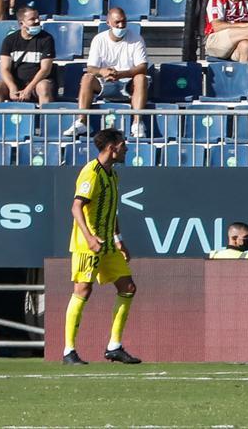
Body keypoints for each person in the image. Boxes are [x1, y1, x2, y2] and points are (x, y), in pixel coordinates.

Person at [63, 128, 141, 365]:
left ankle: (114, 346)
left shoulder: (113, 174)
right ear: (112, 147)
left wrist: (118, 239)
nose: (126, 149)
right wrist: (89, 237)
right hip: (89, 244)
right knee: (83, 290)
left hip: (108, 243)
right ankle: (69, 351)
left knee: (128, 287)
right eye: (123, 145)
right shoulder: (91, 173)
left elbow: (110, 210)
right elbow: (76, 207)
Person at [64, 8, 152, 138]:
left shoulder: (136, 39)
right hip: (104, 82)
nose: (121, 25)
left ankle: (137, 123)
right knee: (87, 78)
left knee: (141, 78)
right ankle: (82, 122)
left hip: (128, 82)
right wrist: (102, 71)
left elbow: (142, 67)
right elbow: (91, 68)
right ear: (108, 23)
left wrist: (120, 74)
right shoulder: (99, 39)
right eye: (117, 22)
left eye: (124, 21)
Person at [0, 7, 55, 105]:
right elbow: (4, 69)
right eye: (32, 19)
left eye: (38, 18)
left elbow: (45, 69)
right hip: (17, 83)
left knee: (43, 87)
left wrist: (28, 89)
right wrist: (12, 87)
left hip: (37, 84)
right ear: (21, 23)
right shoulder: (9, 40)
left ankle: (46, 120)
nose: (37, 21)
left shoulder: (46, 39)